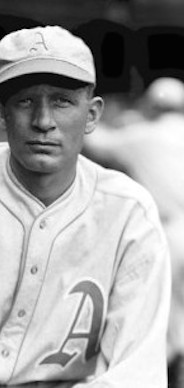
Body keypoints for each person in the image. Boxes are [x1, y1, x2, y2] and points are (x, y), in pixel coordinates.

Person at [0, 26, 170, 388]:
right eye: (26, 100)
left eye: (62, 101)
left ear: (92, 115)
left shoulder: (129, 213)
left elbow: (135, 375)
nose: (43, 122)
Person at [82, 76, 184, 388]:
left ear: (153, 106)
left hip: (172, 235)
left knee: (162, 322)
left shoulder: (141, 136)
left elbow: (93, 141)